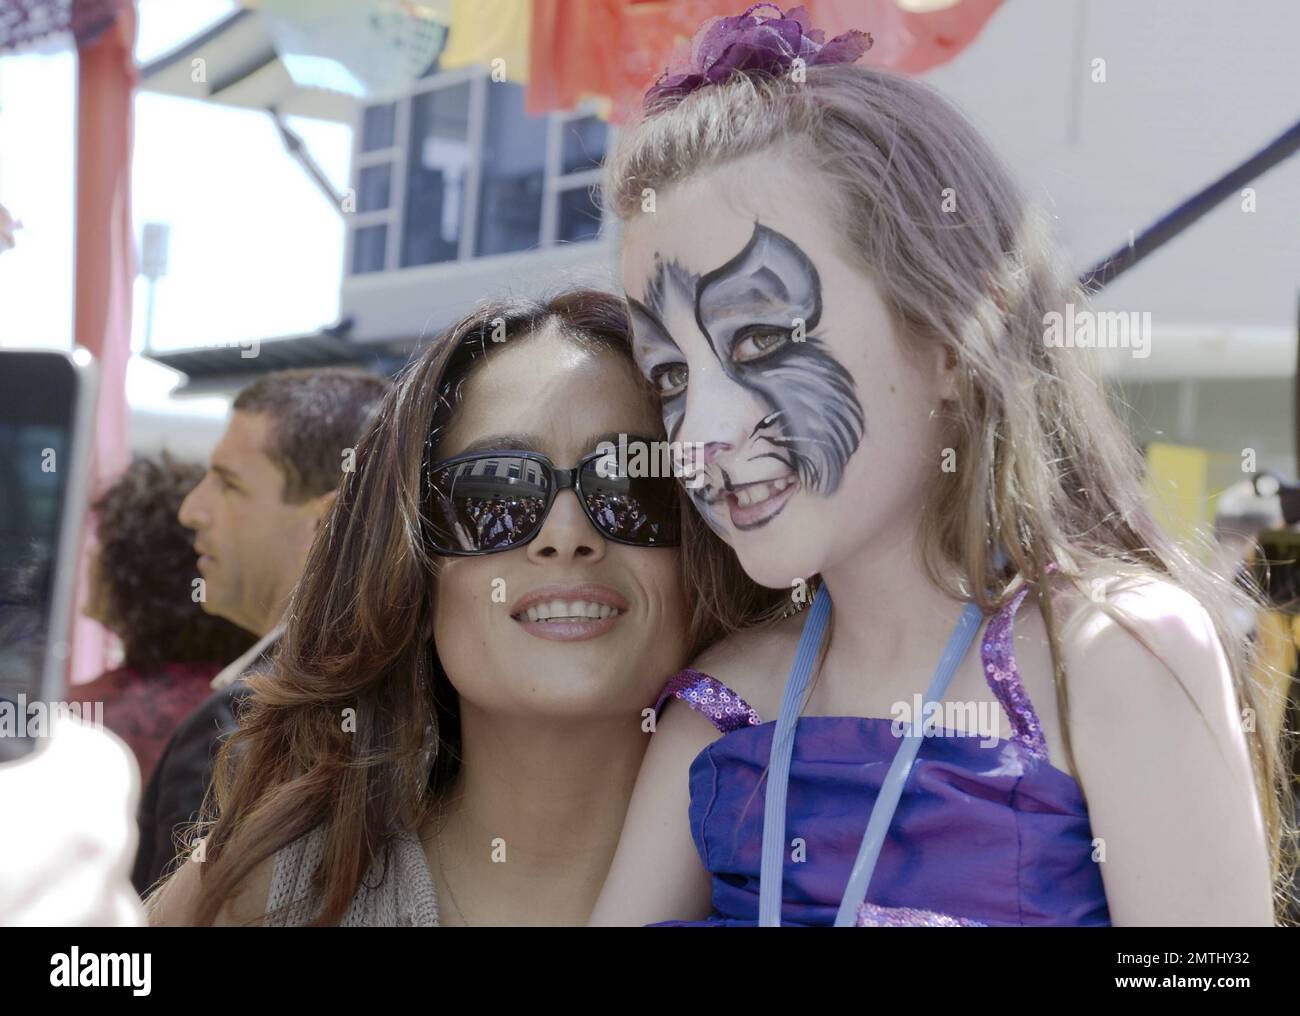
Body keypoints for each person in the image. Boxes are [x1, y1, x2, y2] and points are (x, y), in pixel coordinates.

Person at [590, 4, 1289, 926]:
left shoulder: (1118, 658)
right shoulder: (723, 706)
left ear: (956, 339)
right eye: (672, 373)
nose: (697, 436)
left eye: (761, 338)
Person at [147, 290, 777, 926]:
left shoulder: (816, 882)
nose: (566, 533)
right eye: (493, 492)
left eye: (632, 486)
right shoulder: (261, 894)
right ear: (412, 570)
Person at [132, 367, 391, 895]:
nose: (190, 509)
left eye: (228, 483)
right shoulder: (395, 695)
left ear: (325, 524)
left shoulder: (249, 723)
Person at [73, 454, 256, 785]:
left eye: (102, 540)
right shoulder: (248, 702)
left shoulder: (84, 715)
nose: (89, 553)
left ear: (136, 569)